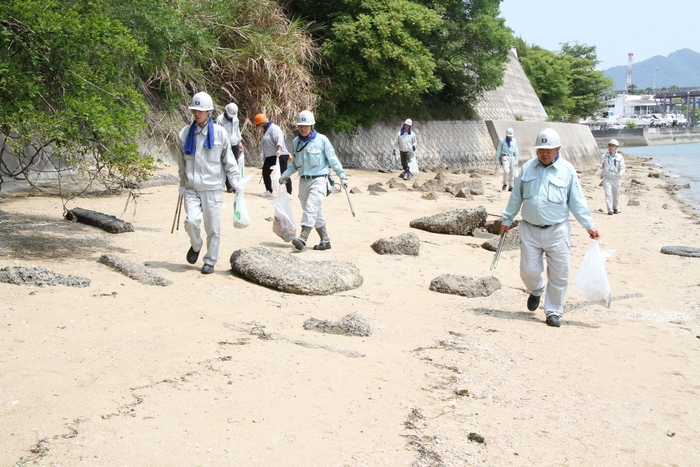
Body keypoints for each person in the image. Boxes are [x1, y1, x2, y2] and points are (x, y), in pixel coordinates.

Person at [499, 128, 601, 327]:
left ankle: (553, 311)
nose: (544, 153)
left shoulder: (567, 170)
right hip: (529, 229)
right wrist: (506, 219)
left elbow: (577, 201)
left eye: (549, 149)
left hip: (557, 230)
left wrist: (589, 225)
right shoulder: (527, 168)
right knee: (528, 271)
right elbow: (516, 197)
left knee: (559, 273)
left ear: (558, 149)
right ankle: (536, 289)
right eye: (540, 150)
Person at [177, 91, 241, 274]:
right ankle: (196, 245)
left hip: (212, 189)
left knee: (213, 228)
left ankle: (210, 261)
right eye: (194, 110)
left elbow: (229, 161)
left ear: (209, 111)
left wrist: (235, 182)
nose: (197, 114)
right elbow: (181, 162)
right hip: (191, 188)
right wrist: (182, 183)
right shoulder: (185, 133)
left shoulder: (220, 134)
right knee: (191, 221)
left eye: (201, 110)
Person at [279, 110, 348, 251]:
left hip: (320, 180)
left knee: (311, 208)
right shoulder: (295, 142)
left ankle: (303, 238)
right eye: (300, 126)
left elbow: (333, 159)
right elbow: (294, 164)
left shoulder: (322, 140)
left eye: (306, 126)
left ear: (313, 126)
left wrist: (342, 176)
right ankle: (325, 240)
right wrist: (285, 174)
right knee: (313, 211)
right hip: (303, 181)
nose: (302, 128)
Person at [254, 113, 291, 198]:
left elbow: (279, 140)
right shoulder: (265, 131)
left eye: (257, 126)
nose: (258, 128)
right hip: (270, 156)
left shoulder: (274, 128)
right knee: (265, 172)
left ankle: (289, 192)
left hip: (280, 154)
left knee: (284, 173)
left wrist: (279, 150)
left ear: (261, 124)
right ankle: (268, 191)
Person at [215, 103, 244, 193]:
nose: (231, 117)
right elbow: (217, 132)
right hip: (224, 144)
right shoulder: (220, 119)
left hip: (234, 143)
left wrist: (239, 142)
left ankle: (234, 184)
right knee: (226, 164)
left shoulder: (236, 119)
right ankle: (229, 186)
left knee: (234, 164)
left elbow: (237, 131)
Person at [598, 138, 626, 215]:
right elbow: (601, 165)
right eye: (609, 145)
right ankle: (609, 209)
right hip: (606, 177)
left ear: (616, 147)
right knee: (608, 194)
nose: (610, 147)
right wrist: (599, 165)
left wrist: (620, 173)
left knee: (616, 194)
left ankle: (615, 207)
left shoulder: (620, 157)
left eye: (612, 146)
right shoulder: (604, 156)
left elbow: (622, 167)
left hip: (615, 178)